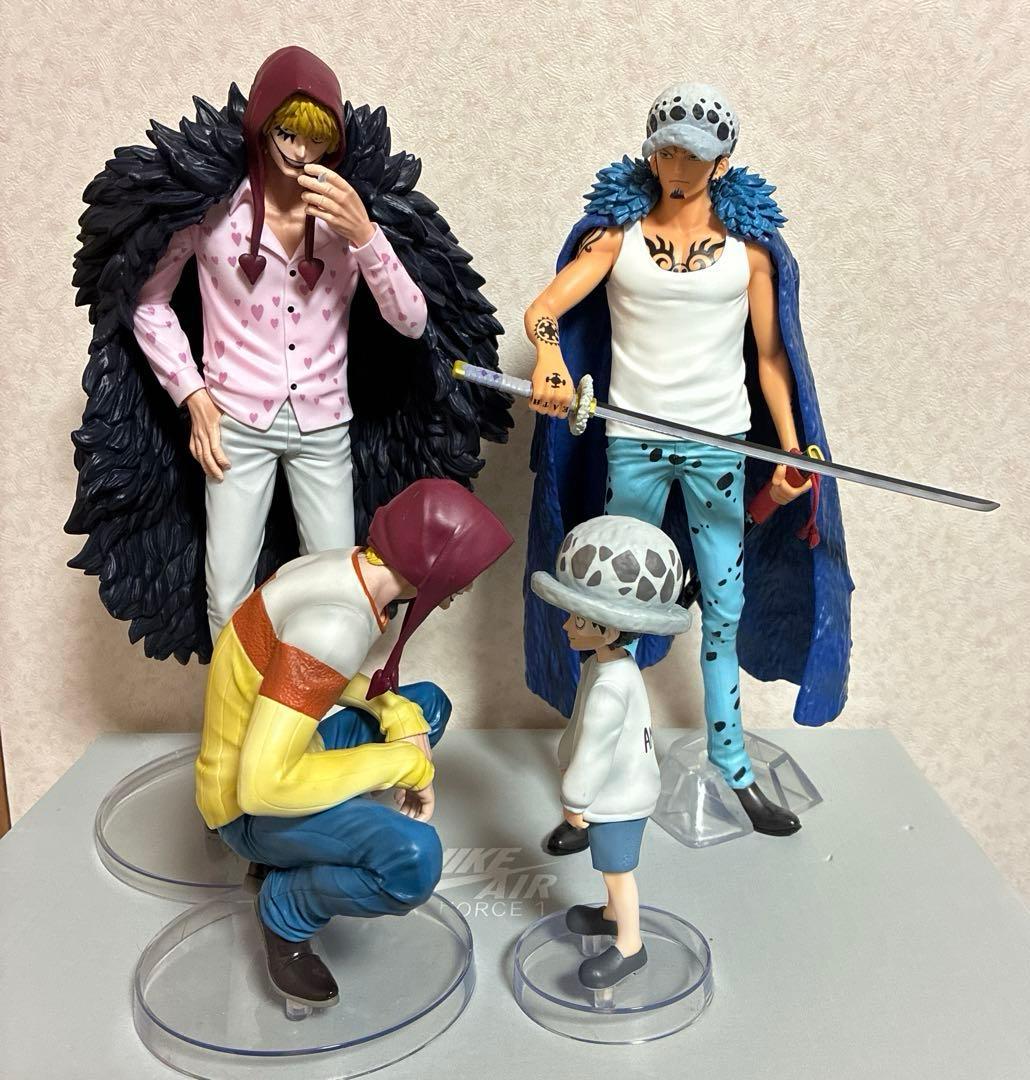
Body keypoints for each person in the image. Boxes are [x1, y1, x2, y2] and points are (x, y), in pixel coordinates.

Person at [68, 45, 512, 662]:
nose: (301, 151)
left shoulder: (346, 221)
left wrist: (366, 236)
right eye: (287, 133)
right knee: (228, 586)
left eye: (316, 138)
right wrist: (192, 395)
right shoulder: (212, 215)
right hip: (235, 421)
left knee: (339, 580)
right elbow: (148, 304)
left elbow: (411, 321)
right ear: (262, 126)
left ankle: (320, 700)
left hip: (324, 422)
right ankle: (234, 707)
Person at [523, 82, 853, 847]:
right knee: (608, 613)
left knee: (724, 610)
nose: (677, 167)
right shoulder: (617, 237)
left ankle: (733, 765)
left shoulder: (749, 252)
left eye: (694, 156)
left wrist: (790, 444)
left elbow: (771, 358)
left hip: (721, 447)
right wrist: (549, 359)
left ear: (722, 162)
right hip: (632, 443)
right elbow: (543, 311)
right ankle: (591, 784)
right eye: (667, 151)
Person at [195, 478, 513, 1009]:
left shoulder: (343, 569)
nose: (465, 586)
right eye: (462, 572)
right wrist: (402, 764)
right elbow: (263, 787)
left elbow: (299, 671)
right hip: (246, 810)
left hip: (287, 745)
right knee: (414, 860)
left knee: (424, 707)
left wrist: (391, 707)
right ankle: (286, 907)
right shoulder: (336, 624)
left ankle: (320, 837)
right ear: (429, 565)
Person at [531, 515, 693, 990]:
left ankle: (630, 944)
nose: (567, 624)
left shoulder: (609, 686)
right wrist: (566, 756)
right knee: (610, 869)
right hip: (621, 786)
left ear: (608, 629)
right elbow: (581, 730)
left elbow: (596, 750)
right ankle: (608, 915)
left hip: (620, 796)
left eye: (579, 619)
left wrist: (574, 798)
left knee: (618, 871)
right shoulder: (607, 667)